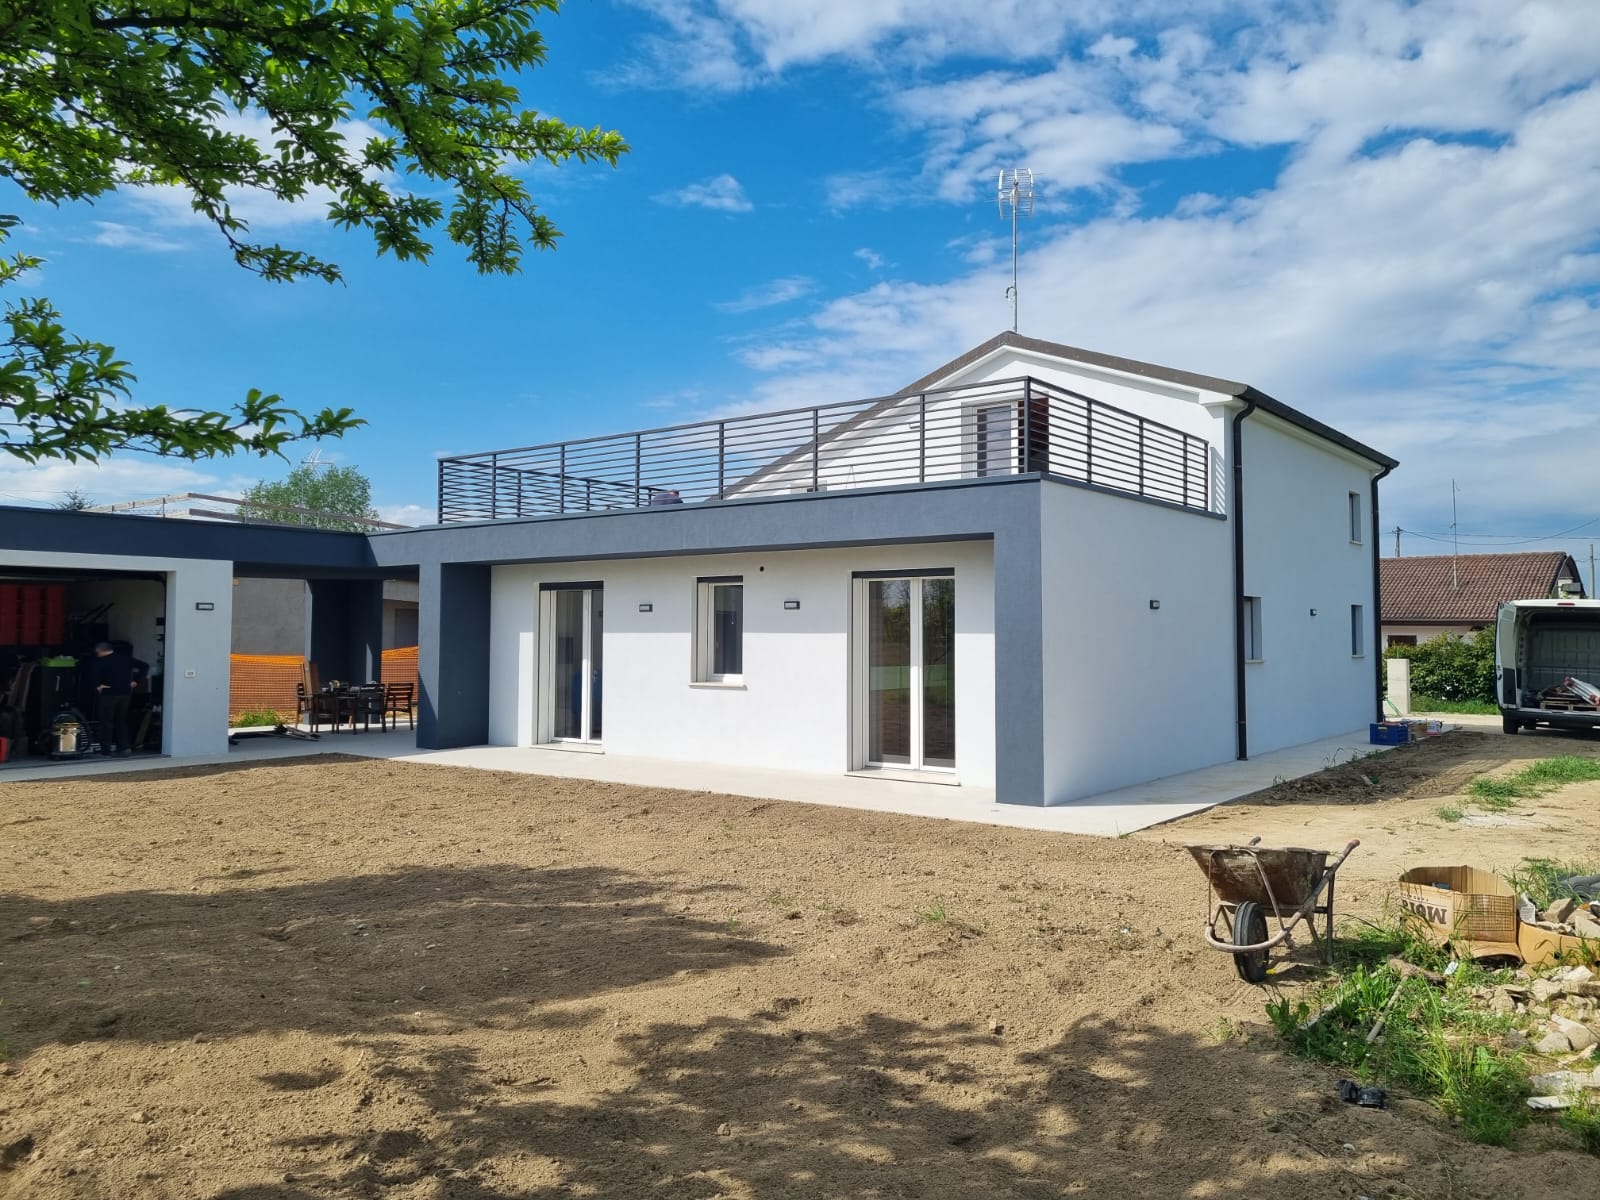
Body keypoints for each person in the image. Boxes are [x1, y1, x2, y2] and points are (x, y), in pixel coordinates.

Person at [87, 641, 148, 756]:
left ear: (100, 651)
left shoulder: (100, 661)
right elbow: (144, 666)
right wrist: (136, 681)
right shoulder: (125, 658)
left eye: (97, 652)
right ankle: (124, 747)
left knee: (106, 722)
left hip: (108, 694)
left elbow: (94, 675)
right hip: (125, 693)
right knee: (121, 721)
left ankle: (106, 749)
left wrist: (98, 686)